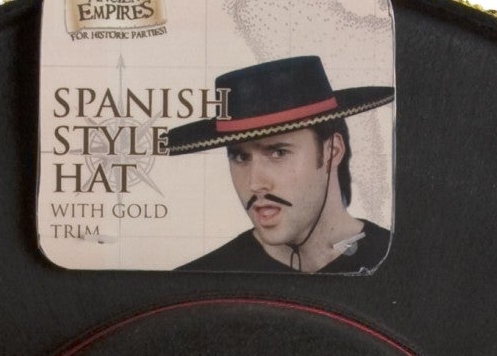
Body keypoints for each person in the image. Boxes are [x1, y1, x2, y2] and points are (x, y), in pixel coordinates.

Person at [164, 54, 393, 273]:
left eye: (278, 153)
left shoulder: (398, 261)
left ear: (332, 151)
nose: (255, 184)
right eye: (240, 157)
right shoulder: (204, 279)